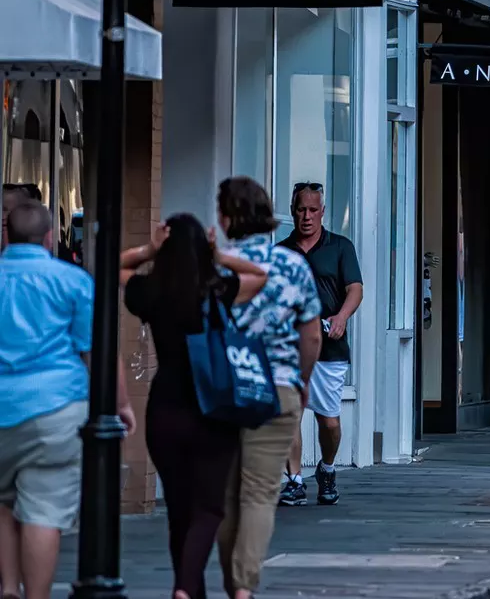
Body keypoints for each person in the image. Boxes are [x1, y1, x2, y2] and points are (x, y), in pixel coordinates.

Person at [120, 215, 267, 599]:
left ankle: (189, 589)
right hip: (213, 408)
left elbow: (117, 266)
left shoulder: (151, 291)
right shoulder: (218, 288)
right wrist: (220, 255)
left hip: (164, 410)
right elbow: (260, 276)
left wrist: (149, 250)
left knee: (180, 511)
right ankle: (186, 588)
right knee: (210, 508)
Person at [0, 201, 126, 599]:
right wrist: (120, 405)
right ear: (50, 237)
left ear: (6, 236)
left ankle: (8, 589)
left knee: (2, 505)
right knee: (44, 511)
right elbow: (97, 351)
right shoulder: (72, 281)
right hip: (57, 408)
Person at [214, 177, 321, 599]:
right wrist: (303, 378)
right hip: (277, 386)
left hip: (224, 389)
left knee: (226, 495)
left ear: (225, 218)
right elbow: (311, 334)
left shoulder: (215, 265)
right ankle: (243, 587)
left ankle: (231, 581)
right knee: (260, 493)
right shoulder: (292, 264)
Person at [279, 183, 361, 507]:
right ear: (293, 211)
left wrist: (341, 317)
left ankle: (326, 469)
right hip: (290, 347)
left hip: (329, 346)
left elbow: (355, 289)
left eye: (313, 210)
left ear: (323, 212)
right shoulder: (281, 252)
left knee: (328, 420)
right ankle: (295, 481)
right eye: (302, 210)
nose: (307, 216)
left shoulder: (340, 247)